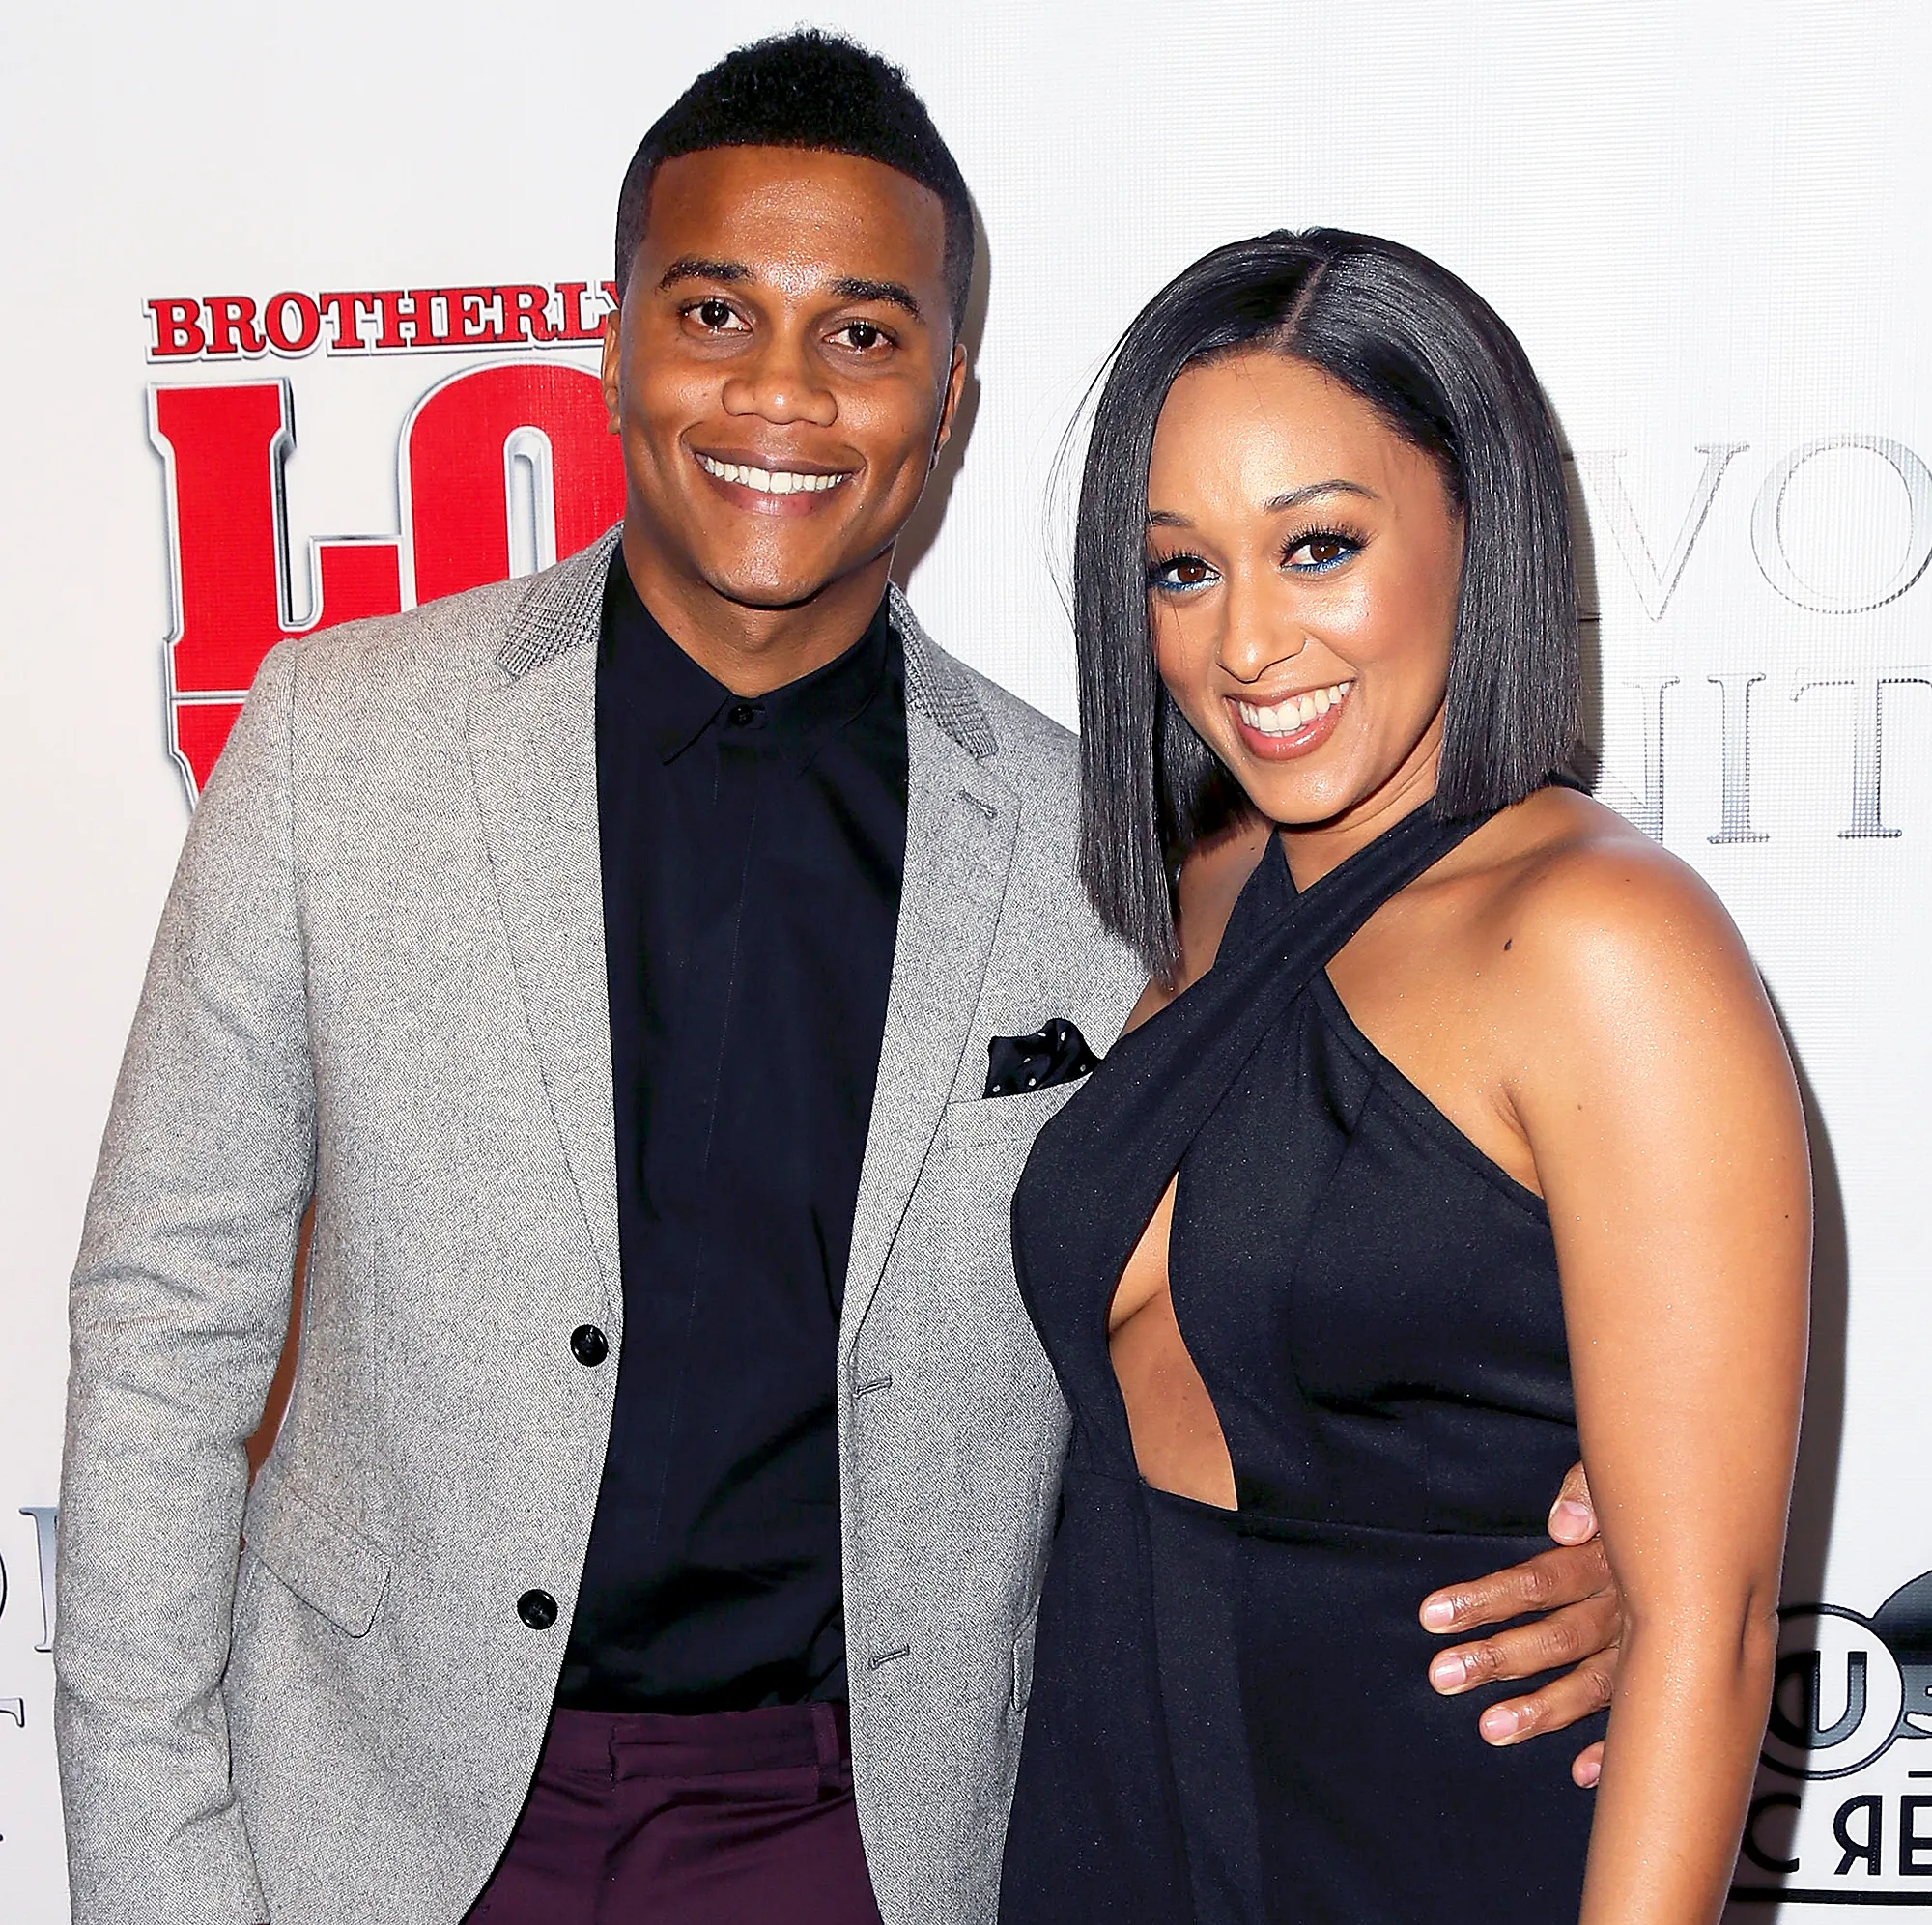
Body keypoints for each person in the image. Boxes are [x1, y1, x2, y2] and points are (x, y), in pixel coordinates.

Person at [55, 40, 1622, 1925]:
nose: (779, 394)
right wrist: (158, 1879)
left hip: (872, 1834)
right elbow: (164, 1341)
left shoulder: (1111, 849)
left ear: (948, 401)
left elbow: (1306, 1277)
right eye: (716, 312)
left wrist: (1604, 1540)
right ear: (618, 341)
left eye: (863, 335)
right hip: (382, 1817)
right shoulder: (333, 747)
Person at [998, 229, 1810, 1924]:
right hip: (1120, 1817)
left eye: (1318, 546)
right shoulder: (1204, 899)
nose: (1248, 645)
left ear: (1473, 524)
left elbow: (1707, 1624)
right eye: (1183, 570)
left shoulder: (1602, 942)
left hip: (1432, 1840)